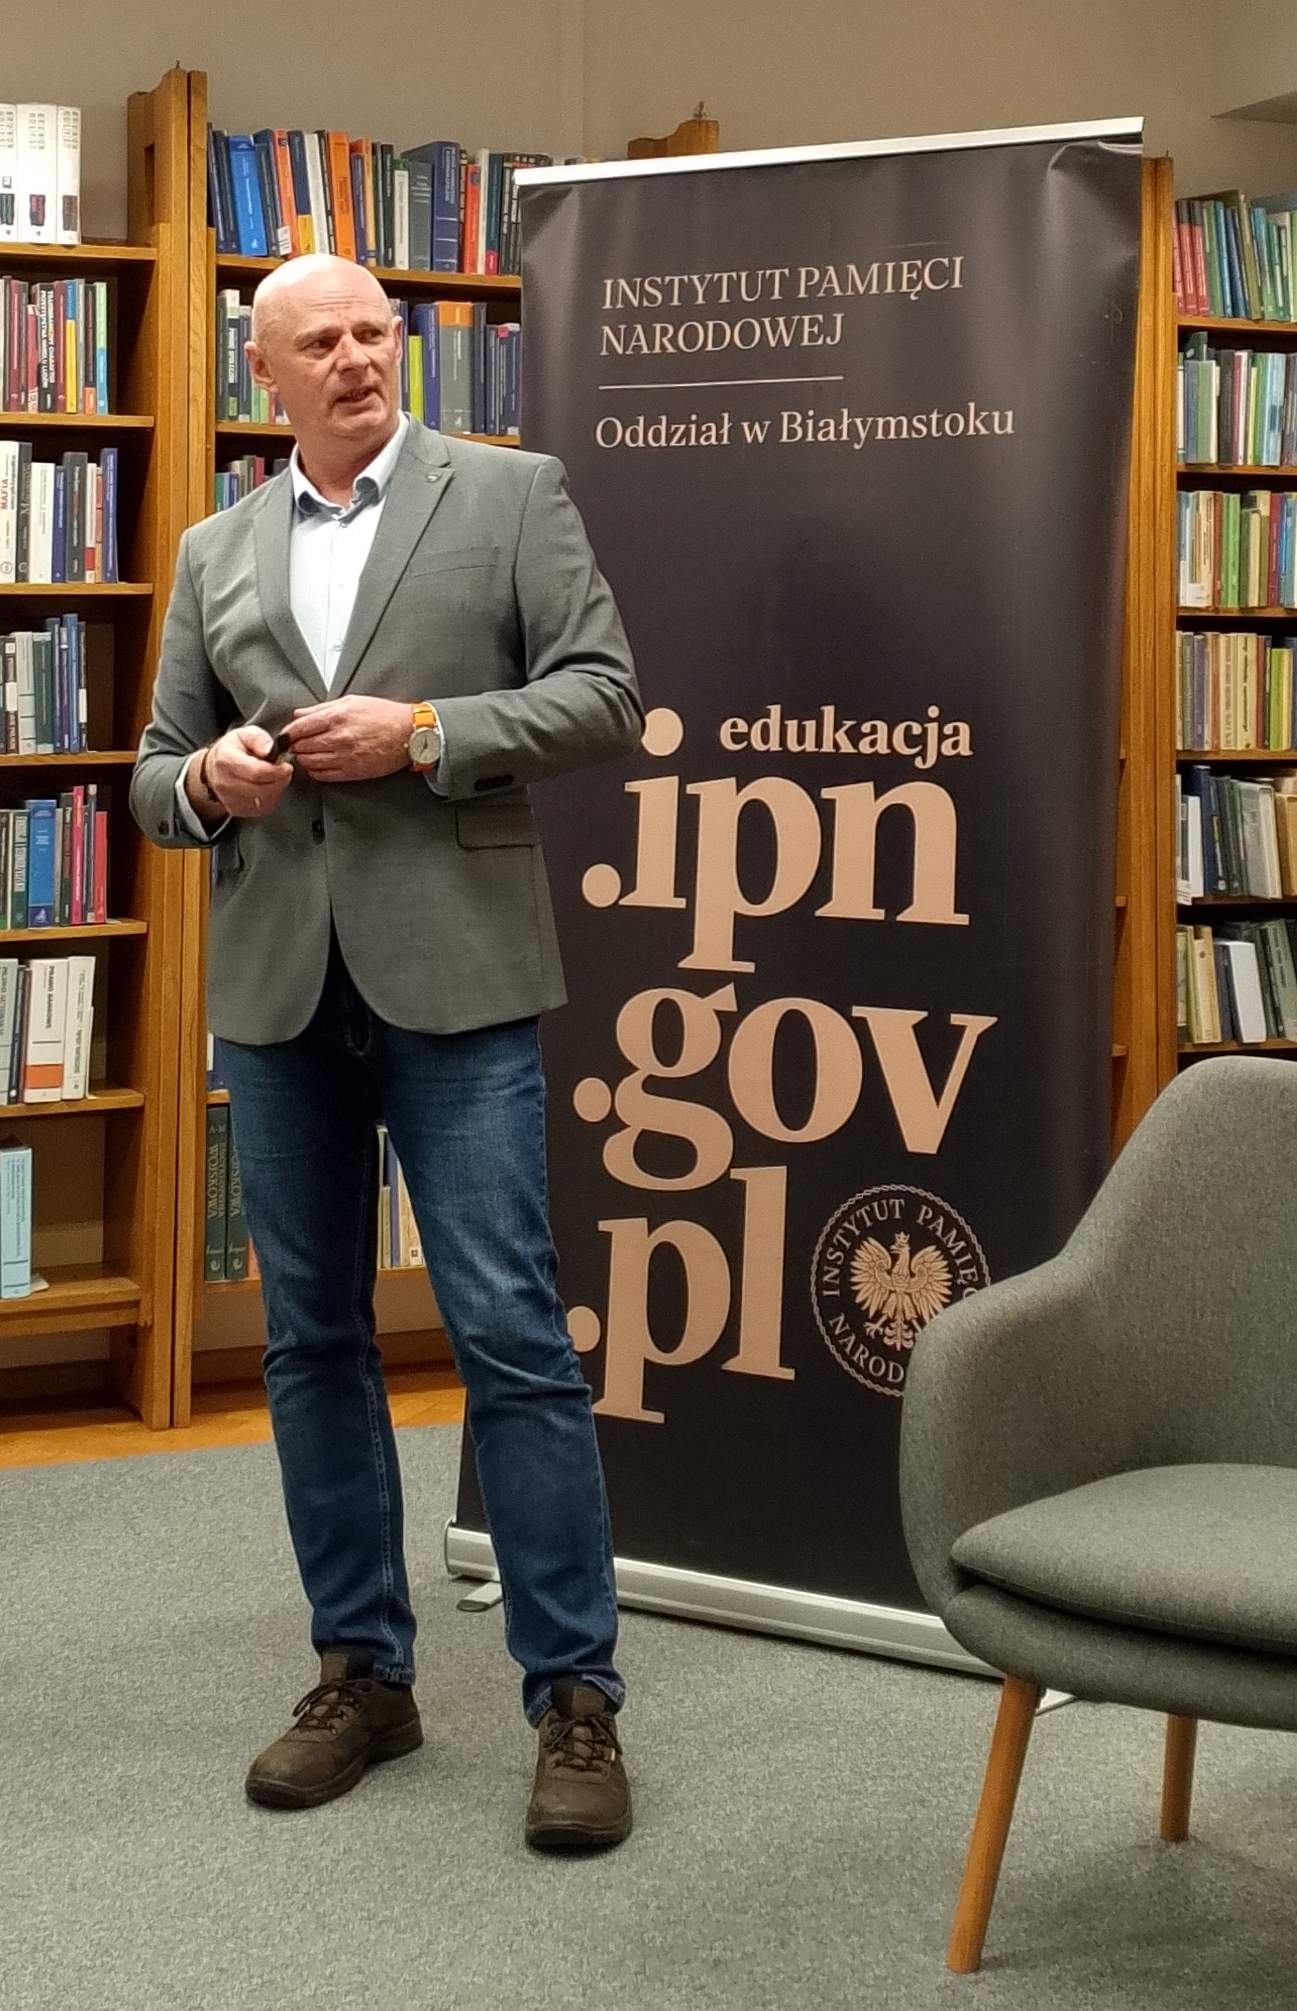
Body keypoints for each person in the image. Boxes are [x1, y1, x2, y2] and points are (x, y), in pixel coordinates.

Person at [132, 253, 641, 1851]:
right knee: (309, 1342)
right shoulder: (214, 548)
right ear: (265, 372)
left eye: (373, 331)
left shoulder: (509, 495)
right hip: (279, 987)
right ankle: (362, 1674)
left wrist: (426, 735)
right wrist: (209, 782)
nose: (355, 356)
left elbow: (604, 697)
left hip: (459, 976)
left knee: (509, 1334)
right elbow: (152, 774)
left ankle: (574, 1699)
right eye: (320, 340)